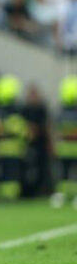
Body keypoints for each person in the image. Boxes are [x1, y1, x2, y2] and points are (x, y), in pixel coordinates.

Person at [0, 75, 31, 201]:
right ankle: (11, 195)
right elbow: (23, 132)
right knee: (12, 173)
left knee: (3, 173)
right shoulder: (16, 113)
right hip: (14, 149)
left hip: (1, 149)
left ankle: (3, 194)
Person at [52, 76, 77, 208]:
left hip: (64, 148)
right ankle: (71, 196)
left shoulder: (60, 113)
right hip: (72, 148)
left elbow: (56, 130)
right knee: (70, 173)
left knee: (63, 173)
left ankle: (61, 196)